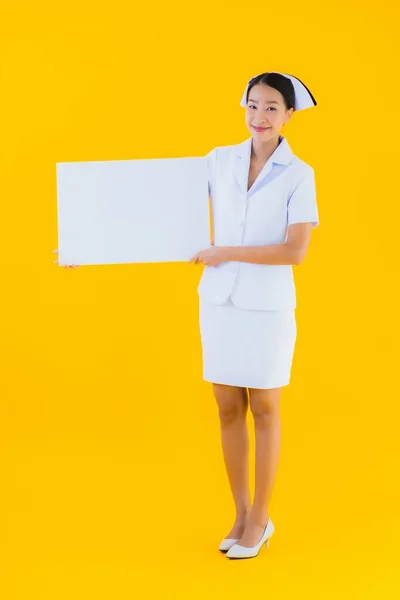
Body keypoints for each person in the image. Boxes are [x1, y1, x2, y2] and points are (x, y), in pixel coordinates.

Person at [189, 71, 319, 559]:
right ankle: (241, 512)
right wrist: (91, 246)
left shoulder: (299, 174)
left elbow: (295, 251)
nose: (258, 116)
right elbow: (159, 206)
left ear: (288, 115)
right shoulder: (218, 161)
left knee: (264, 409)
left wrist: (227, 250)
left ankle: (262, 516)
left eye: (270, 108)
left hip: (266, 309)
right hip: (219, 303)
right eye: (252, 105)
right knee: (226, 408)